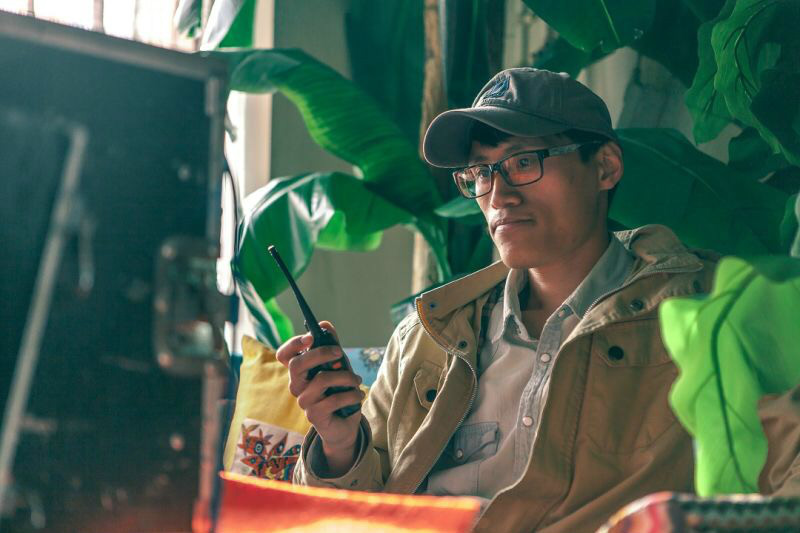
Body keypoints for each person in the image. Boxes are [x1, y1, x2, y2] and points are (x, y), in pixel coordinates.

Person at [275, 68, 800, 532]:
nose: (498, 196)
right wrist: (339, 443)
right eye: (480, 173)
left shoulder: (702, 307)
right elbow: (345, 516)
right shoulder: (427, 336)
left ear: (605, 167)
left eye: (524, 161)